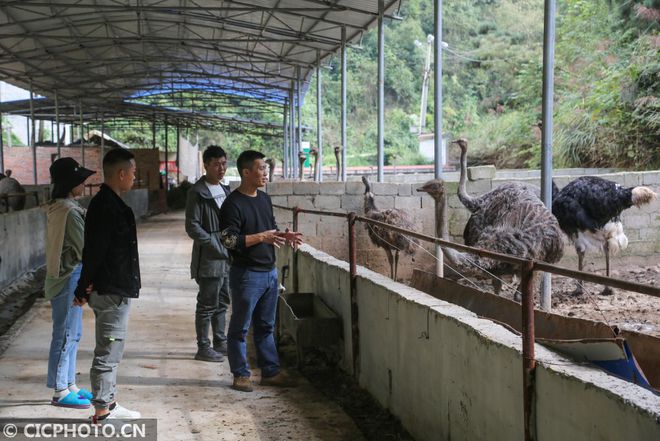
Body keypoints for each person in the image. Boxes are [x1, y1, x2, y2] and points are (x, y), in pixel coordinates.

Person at [219, 150, 303, 392]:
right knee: (240, 327)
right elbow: (228, 240)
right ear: (246, 172)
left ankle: (271, 372)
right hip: (246, 274)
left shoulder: (264, 199)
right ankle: (241, 375)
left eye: (266, 169)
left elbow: (270, 230)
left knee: (266, 326)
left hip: (269, 271)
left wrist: (281, 235)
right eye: (260, 169)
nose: (265, 173)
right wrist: (261, 237)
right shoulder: (232, 204)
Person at [74, 148, 141, 422]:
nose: (134, 178)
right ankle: (102, 409)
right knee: (109, 349)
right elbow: (94, 251)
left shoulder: (110, 203)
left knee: (112, 347)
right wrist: (83, 286)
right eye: (133, 173)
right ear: (121, 173)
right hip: (111, 289)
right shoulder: (106, 206)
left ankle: (108, 403)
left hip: (115, 287)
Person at [45, 157, 95, 409]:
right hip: (69, 278)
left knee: (72, 333)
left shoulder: (58, 206)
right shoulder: (70, 212)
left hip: (62, 277)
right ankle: (60, 391)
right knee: (65, 334)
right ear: (70, 182)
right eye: (81, 180)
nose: (84, 184)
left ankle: (69, 383)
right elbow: (83, 249)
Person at [185, 146, 231, 362]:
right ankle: (203, 347)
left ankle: (220, 342)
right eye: (216, 164)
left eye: (223, 163)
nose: (221, 168)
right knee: (207, 304)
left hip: (227, 256)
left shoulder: (225, 189)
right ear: (206, 165)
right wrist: (215, 244)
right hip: (209, 258)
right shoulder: (198, 192)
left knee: (222, 301)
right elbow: (192, 226)